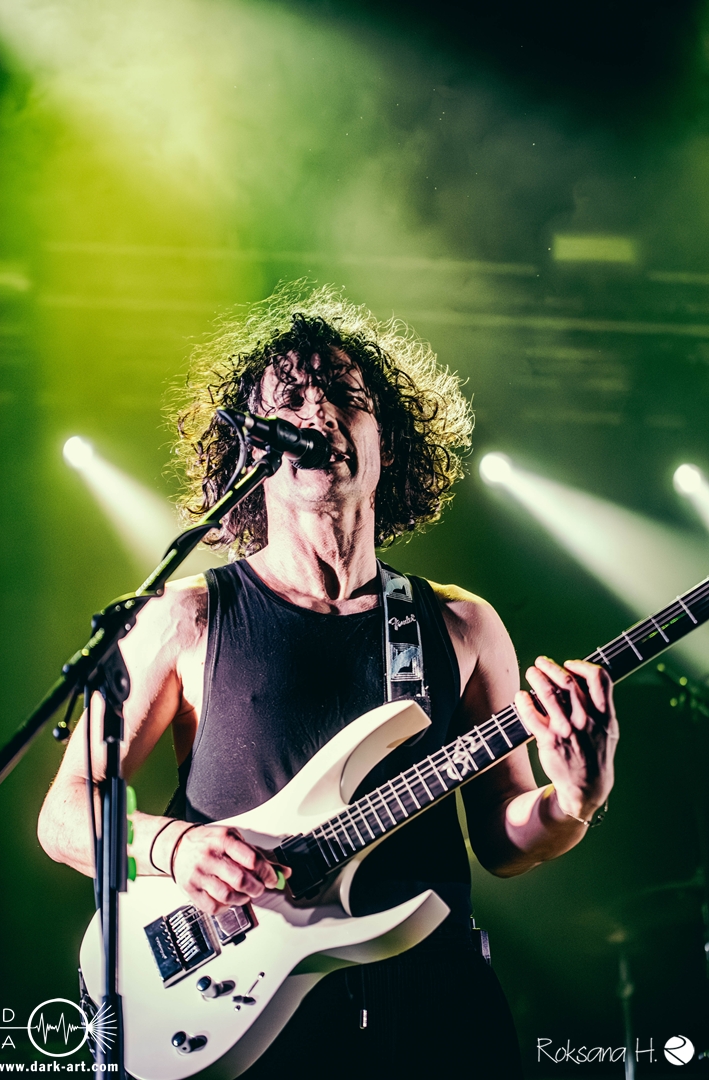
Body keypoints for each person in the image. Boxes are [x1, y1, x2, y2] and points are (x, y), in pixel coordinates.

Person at [38, 283, 619, 1079]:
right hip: (247, 1013)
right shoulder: (187, 614)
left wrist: (572, 802)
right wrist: (172, 845)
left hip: (433, 1012)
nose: (319, 415)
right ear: (250, 453)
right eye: (290, 402)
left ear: (388, 442)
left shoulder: (461, 625)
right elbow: (65, 814)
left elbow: (503, 841)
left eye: (347, 398)